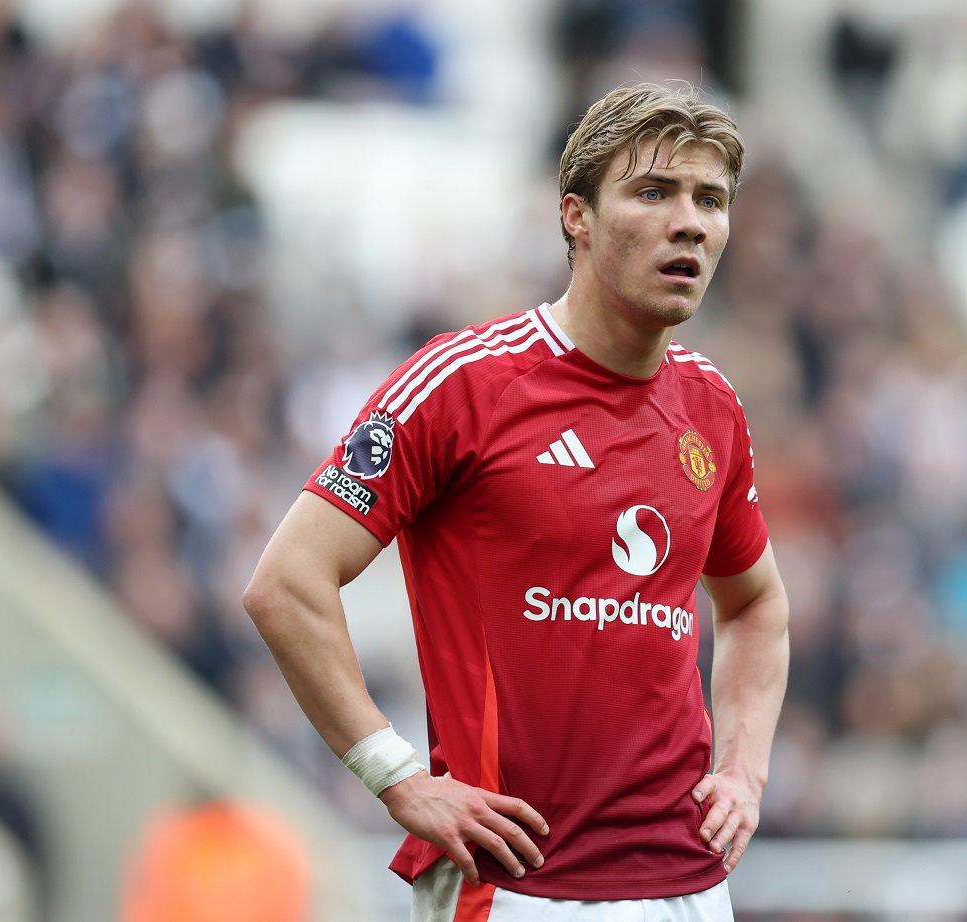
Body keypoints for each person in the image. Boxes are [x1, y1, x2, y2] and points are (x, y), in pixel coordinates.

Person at [244, 82, 790, 922]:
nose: (689, 223)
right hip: (513, 884)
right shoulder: (465, 383)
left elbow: (754, 604)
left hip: (688, 884)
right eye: (654, 193)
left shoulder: (710, 405)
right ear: (577, 217)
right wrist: (397, 777)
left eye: (709, 200)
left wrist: (744, 772)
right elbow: (286, 584)